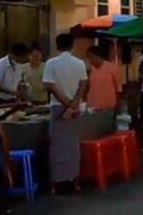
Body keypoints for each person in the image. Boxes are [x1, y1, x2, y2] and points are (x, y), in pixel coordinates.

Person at [43, 33, 88, 191]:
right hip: (74, 108)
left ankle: (55, 183)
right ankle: (75, 181)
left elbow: (49, 86)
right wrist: (73, 104)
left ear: (57, 46)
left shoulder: (51, 63)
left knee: (57, 145)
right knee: (73, 145)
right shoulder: (80, 63)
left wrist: (65, 102)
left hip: (57, 107)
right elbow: (83, 85)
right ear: (72, 45)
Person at [85, 45, 121, 111]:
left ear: (98, 56)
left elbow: (118, 88)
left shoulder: (111, 67)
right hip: (93, 106)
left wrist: (118, 105)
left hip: (108, 106)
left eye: (91, 57)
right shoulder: (92, 70)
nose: (89, 60)